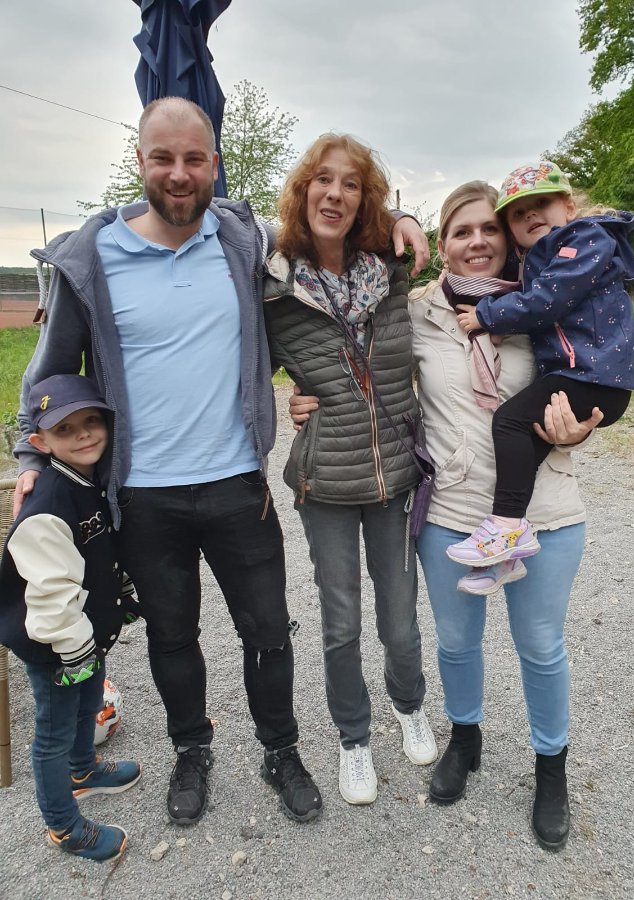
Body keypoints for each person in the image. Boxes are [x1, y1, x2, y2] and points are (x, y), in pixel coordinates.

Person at [13, 98, 428, 826]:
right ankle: (191, 752)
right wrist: (29, 452)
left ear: (213, 164)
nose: (179, 173)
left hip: (238, 483)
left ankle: (281, 751)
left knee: (267, 632)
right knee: (172, 637)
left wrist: (401, 219)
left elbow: (324, 223)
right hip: (143, 493)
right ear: (140, 161)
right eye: (163, 158)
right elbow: (52, 370)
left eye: (193, 159)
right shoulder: (93, 257)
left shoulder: (243, 238)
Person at [409, 180, 604, 851]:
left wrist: (581, 430)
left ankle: (551, 768)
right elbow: (356, 360)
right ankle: (464, 740)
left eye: (488, 229)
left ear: (507, 237)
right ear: (442, 243)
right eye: (460, 231)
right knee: (455, 641)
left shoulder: (550, 302)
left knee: (540, 647)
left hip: (545, 511)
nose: (477, 242)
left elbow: (596, 377)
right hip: (453, 510)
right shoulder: (419, 312)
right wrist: (308, 399)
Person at [263, 133, 437, 806]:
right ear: (303, 190)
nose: (334, 194)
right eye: (323, 180)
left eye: (351, 184)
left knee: (400, 618)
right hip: (326, 483)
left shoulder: (392, 270)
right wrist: (290, 398)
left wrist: (406, 217)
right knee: (340, 623)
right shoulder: (274, 288)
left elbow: (447, 247)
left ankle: (408, 703)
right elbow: (249, 370)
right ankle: (353, 738)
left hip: (394, 476)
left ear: (366, 199)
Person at [447, 162, 634, 589]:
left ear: (568, 207)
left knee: (509, 421)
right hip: (583, 374)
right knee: (524, 453)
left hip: (591, 376)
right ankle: (504, 555)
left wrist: (487, 316)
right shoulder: (542, 255)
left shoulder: (584, 240)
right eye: (518, 212)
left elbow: (548, 298)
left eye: (542, 203)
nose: (530, 213)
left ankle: (506, 529)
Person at [0, 375, 141, 862]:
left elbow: (101, 551)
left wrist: (121, 593)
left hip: (85, 637)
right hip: (54, 644)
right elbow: (52, 595)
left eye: (91, 421)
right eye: (64, 429)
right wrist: (75, 654)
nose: (82, 434)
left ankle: (84, 768)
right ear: (40, 442)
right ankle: (63, 825)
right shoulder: (48, 506)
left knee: (88, 704)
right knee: (53, 731)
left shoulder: (92, 481)